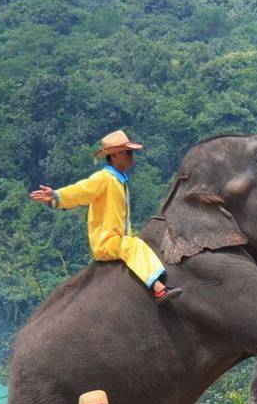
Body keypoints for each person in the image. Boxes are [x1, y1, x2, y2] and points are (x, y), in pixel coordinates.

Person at [29, 130, 182, 305]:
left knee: (134, 242)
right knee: (133, 245)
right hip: (106, 242)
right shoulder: (103, 178)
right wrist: (57, 196)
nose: (131, 155)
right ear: (115, 155)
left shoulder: (119, 180)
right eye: (127, 152)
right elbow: (81, 191)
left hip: (117, 238)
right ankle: (158, 289)